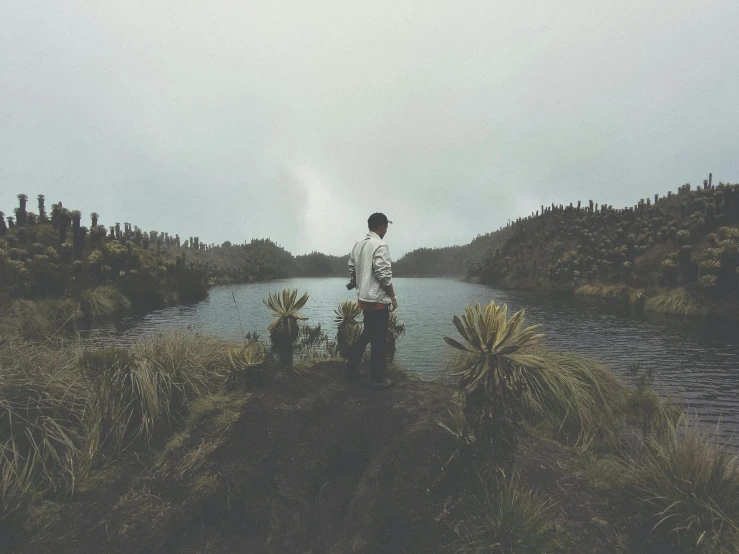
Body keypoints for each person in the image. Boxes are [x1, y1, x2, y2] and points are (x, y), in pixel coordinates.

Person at [346, 212, 398, 388]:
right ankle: (377, 378)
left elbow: (351, 268)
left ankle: (351, 367)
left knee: (368, 333)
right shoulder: (380, 246)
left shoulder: (358, 245)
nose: (386, 231)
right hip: (377, 301)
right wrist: (393, 297)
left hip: (363, 298)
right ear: (382, 227)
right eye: (386, 228)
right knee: (379, 339)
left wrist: (361, 285)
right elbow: (384, 276)